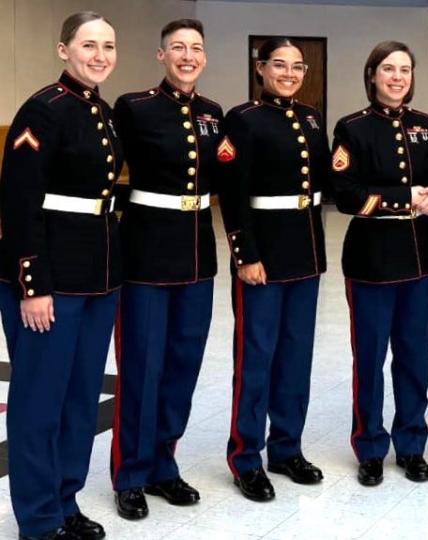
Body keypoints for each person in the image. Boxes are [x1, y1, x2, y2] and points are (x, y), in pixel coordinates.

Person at [0, 11, 121, 540]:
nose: (99, 55)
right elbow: (20, 202)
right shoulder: (41, 111)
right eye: (88, 44)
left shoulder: (104, 112)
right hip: (50, 283)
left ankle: (65, 500)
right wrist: (33, 286)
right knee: (39, 403)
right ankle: (39, 520)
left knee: (78, 399)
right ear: (63, 49)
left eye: (108, 46)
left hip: (97, 277)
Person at [109, 18, 221, 520]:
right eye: (178, 47)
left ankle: (163, 464)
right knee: (143, 366)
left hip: (197, 251)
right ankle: (130, 472)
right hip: (147, 252)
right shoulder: (133, 108)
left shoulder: (214, 115)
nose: (188, 56)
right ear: (162, 55)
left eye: (196, 48)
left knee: (182, 366)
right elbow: (104, 173)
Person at [218, 36, 330, 502]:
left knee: (295, 357)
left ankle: (287, 447)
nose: (289, 73)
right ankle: (246, 456)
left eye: (297, 66)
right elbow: (232, 190)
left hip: (305, 254)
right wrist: (245, 256)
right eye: (279, 65)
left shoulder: (310, 118)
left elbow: (322, 183)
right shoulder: (242, 120)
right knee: (256, 357)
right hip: (263, 257)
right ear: (260, 68)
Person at [331, 41, 428, 487]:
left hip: (419, 260)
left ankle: (412, 444)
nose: (397, 77)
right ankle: (371, 446)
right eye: (388, 69)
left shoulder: (425, 125)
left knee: (415, 356)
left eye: (405, 70)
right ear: (372, 75)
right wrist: (404, 198)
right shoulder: (353, 128)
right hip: (371, 263)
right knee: (371, 359)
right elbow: (345, 194)